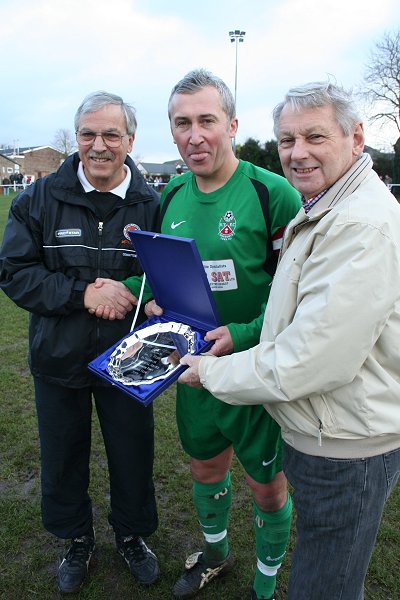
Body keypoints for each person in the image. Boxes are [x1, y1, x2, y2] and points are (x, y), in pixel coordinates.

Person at [178, 80, 400, 600]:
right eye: (286, 139)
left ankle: (265, 577)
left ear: (357, 137)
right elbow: (293, 314)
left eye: (315, 137)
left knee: (324, 585)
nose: (298, 152)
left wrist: (211, 371)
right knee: (333, 573)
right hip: (325, 426)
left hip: (347, 446)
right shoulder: (325, 203)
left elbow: (312, 357)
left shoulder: (360, 225)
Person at [94, 68, 301, 600]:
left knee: (266, 485)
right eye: (182, 123)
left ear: (232, 125)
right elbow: (163, 278)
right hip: (193, 367)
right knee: (206, 465)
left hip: (255, 367)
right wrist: (130, 287)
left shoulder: (271, 193)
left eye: (207, 120)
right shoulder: (172, 194)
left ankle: (267, 578)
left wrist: (247, 331)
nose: (194, 135)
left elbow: (298, 292)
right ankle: (215, 555)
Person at [0, 91, 161, 594]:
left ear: (130, 140)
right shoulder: (38, 198)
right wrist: (82, 293)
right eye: (89, 134)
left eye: (111, 134)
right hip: (58, 357)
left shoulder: (152, 204)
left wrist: (139, 297)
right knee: (63, 455)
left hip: (130, 361)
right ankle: (76, 539)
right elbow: (14, 271)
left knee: (133, 453)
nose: (99, 145)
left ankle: (131, 534)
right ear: (76, 138)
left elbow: (164, 278)